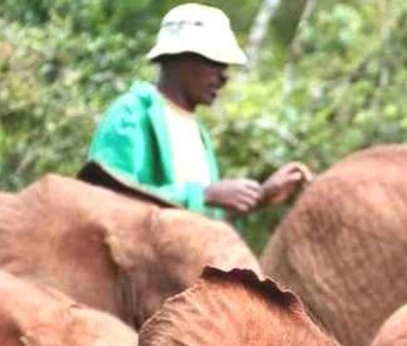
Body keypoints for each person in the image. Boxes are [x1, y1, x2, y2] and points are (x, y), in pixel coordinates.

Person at [87, 3, 311, 219]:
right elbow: (105, 203)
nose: (224, 77)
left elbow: (200, 224)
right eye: (215, 63)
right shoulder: (132, 114)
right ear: (179, 57)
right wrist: (204, 194)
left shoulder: (196, 130)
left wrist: (260, 197)